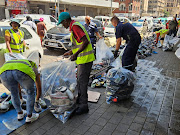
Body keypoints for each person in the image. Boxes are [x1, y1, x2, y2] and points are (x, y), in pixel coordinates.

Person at [57, 12, 95, 115]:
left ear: (66, 21)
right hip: (82, 60)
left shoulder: (75, 27)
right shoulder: (75, 25)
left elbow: (85, 41)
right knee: (79, 81)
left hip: (85, 59)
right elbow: (78, 44)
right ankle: (80, 99)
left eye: (62, 23)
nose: (62, 25)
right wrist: (70, 52)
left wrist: (76, 54)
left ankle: (84, 106)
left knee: (82, 82)